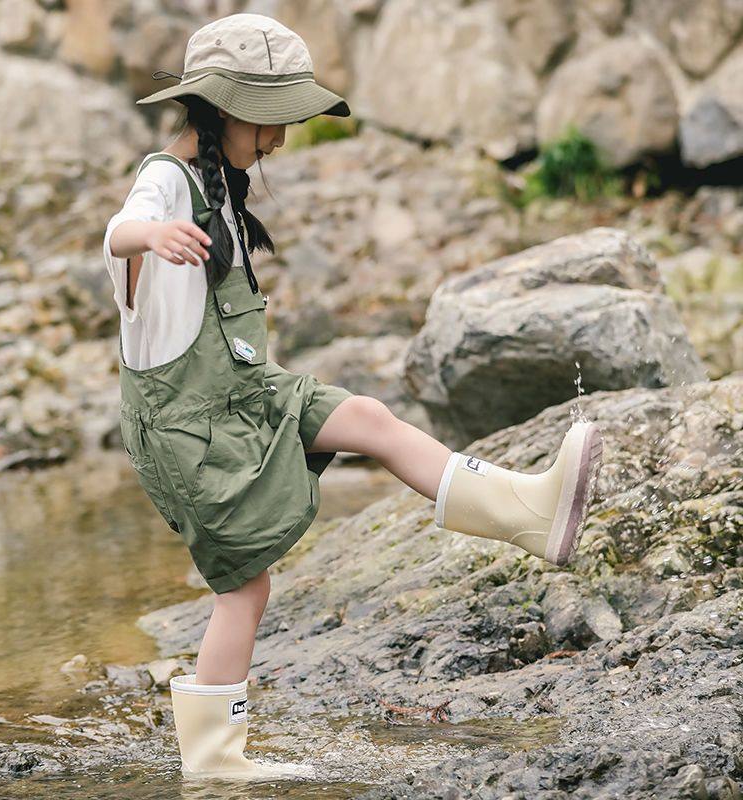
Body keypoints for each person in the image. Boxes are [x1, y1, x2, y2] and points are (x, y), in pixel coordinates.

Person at [104, 12, 604, 781]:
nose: (279, 139)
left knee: (368, 417)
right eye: (270, 120)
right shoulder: (169, 180)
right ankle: (213, 763)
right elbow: (122, 226)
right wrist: (151, 238)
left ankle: (531, 514)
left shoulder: (219, 182)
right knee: (244, 588)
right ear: (223, 108)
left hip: (245, 391)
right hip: (189, 429)